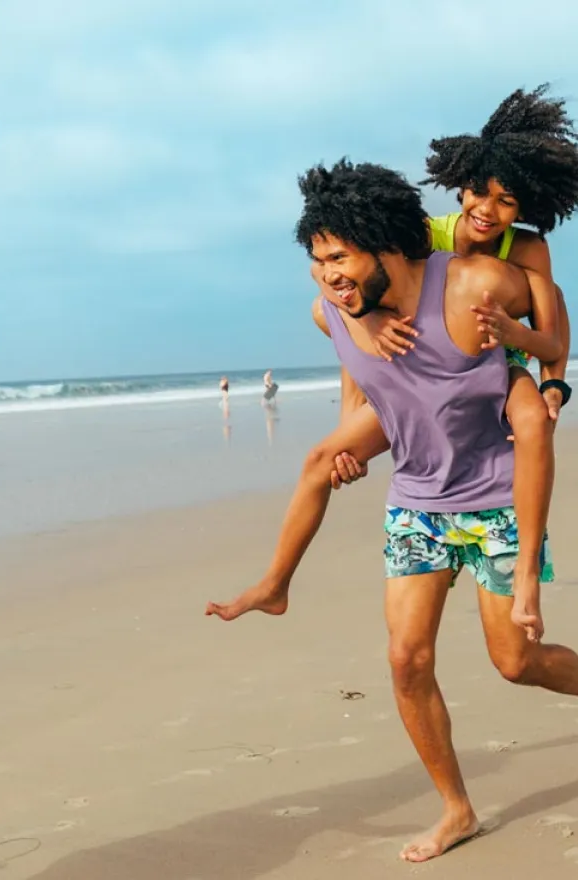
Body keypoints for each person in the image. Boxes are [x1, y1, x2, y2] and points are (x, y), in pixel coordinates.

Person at [209, 159, 578, 863]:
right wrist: (355, 433)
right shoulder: (333, 310)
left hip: (496, 494)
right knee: (407, 660)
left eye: (340, 256)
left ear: (384, 242)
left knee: (517, 661)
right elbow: (367, 377)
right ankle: (457, 808)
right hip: (418, 499)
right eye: (317, 260)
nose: (327, 274)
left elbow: (553, 342)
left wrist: (539, 381)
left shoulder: (476, 283)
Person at [209, 85, 577, 642]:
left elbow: (554, 323)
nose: (487, 210)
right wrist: (366, 323)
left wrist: (554, 386)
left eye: (507, 201)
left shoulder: (525, 251)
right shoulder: (423, 237)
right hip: (418, 377)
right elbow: (349, 299)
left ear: (526, 208)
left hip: (501, 359)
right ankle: (275, 583)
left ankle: (526, 570)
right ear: (460, 187)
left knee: (531, 425)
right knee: (320, 459)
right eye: (479, 193)